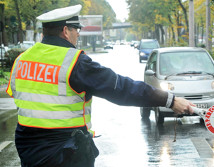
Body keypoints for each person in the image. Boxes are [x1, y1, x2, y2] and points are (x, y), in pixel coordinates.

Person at [6, 4, 195, 167]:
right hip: (64, 151)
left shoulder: (22, 60)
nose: (78, 35)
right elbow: (121, 88)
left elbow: (21, 96)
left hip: (28, 149)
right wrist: (169, 100)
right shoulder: (73, 62)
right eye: (76, 30)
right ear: (65, 31)